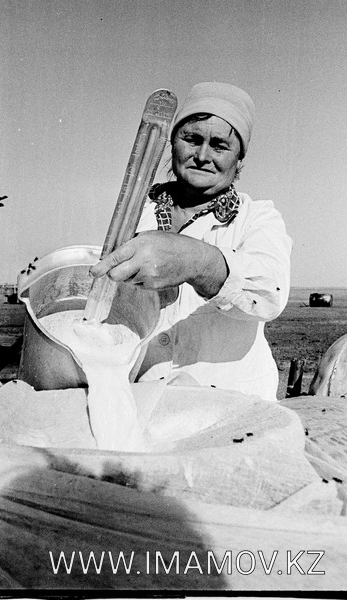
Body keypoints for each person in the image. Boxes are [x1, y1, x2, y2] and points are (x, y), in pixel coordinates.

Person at [90, 82, 292, 401]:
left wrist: (194, 261)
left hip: (231, 403)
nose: (202, 156)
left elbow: (270, 294)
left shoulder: (257, 218)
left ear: (239, 159)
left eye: (219, 146)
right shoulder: (134, 211)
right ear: (172, 143)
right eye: (192, 139)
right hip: (140, 397)